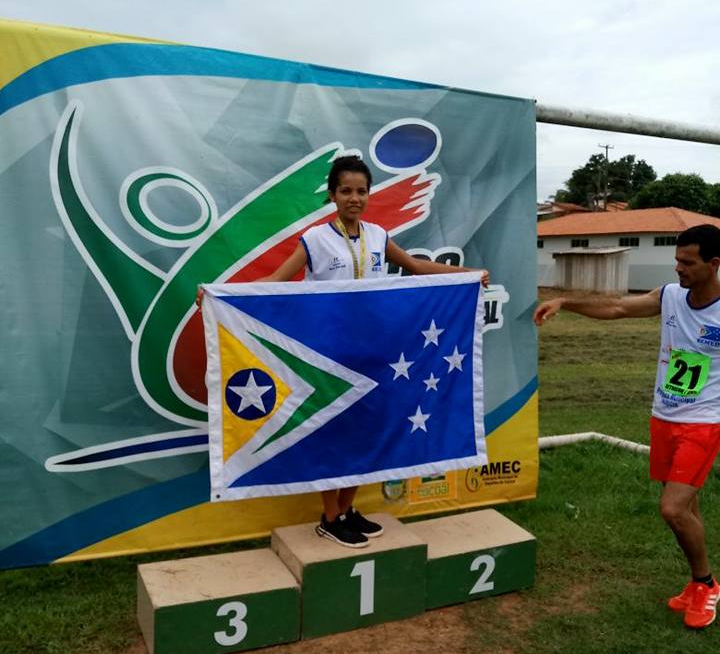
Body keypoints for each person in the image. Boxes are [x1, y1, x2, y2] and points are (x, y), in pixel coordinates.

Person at [201, 154, 489, 548]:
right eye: (346, 191)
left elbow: (416, 267)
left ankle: (348, 508)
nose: (355, 198)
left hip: (376, 352)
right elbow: (275, 280)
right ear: (333, 195)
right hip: (329, 355)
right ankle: (330, 516)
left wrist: (469, 276)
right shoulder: (314, 239)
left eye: (361, 191)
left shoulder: (378, 236)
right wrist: (218, 295)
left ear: (369, 195)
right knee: (333, 433)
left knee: (367, 431)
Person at [534, 224, 720, 629]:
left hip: (703, 423)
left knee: (672, 508)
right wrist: (565, 301)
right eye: (676, 260)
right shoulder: (669, 297)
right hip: (664, 417)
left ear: (714, 264)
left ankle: (707, 585)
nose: (678, 268)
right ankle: (697, 583)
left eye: (687, 262)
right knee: (687, 508)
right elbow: (617, 307)